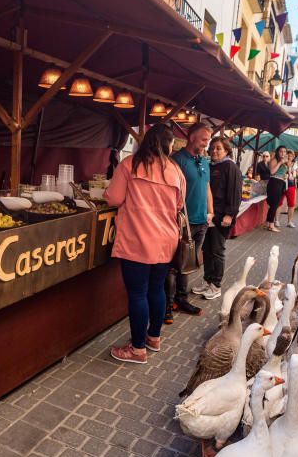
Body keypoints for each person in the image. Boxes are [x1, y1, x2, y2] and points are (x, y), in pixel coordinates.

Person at [104, 123, 185, 364]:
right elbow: (179, 205)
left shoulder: (129, 165)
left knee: (138, 294)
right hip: (165, 241)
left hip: (137, 240)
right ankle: (153, 338)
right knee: (157, 289)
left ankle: (137, 350)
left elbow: (115, 198)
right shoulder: (176, 171)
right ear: (168, 146)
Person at [166, 122, 214, 317]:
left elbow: (207, 187)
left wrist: (211, 212)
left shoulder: (204, 161)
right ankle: (167, 305)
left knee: (187, 264)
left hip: (201, 221)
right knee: (173, 265)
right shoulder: (177, 160)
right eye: (204, 139)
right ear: (192, 136)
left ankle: (181, 299)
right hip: (182, 222)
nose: (206, 143)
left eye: (208, 140)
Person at [193, 136, 242, 301]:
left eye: (218, 148)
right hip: (207, 215)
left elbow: (235, 193)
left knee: (217, 251)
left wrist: (229, 214)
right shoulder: (209, 165)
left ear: (226, 150)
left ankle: (216, 285)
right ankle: (207, 281)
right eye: (212, 147)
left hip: (221, 217)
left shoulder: (230, 167)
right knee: (206, 250)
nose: (214, 151)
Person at [262, 146, 288, 232]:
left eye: (284, 152)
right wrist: (280, 163)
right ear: (278, 152)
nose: (283, 153)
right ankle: (271, 225)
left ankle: (268, 224)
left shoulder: (285, 162)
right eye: (281, 151)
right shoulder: (275, 160)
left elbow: (282, 173)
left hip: (280, 183)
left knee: (274, 205)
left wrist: (285, 175)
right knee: (274, 205)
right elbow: (272, 172)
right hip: (274, 183)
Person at [280, 150, 298, 228]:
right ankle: (276, 220)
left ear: (293, 156)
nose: (290, 156)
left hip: (291, 185)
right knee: (279, 203)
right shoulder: (282, 163)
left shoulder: (295, 165)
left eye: (291, 155)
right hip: (282, 184)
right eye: (288, 155)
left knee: (291, 204)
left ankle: (289, 222)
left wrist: (296, 184)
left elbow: (295, 176)